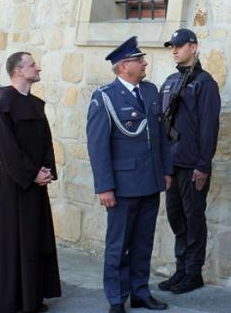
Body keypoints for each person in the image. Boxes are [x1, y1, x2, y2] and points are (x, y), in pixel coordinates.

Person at [86, 36, 173, 313]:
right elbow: (98, 146)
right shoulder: (105, 98)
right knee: (118, 245)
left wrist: (166, 171)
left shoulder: (149, 91)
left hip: (150, 181)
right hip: (122, 186)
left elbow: (160, 136)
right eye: (139, 60)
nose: (144, 63)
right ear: (124, 66)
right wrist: (104, 187)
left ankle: (140, 292)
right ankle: (116, 298)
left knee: (143, 243)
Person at [0, 52, 61, 313]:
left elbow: (45, 142)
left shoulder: (36, 104)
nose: (38, 67)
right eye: (32, 65)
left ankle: (32, 298)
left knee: (34, 239)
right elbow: (6, 149)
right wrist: (31, 174)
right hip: (11, 186)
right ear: (18, 71)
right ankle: (10, 301)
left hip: (35, 185)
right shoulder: (3, 103)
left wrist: (47, 170)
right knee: (12, 241)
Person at [157, 29, 220, 294]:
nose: (174, 50)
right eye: (172, 46)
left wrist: (203, 164)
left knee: (194, 218)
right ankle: (181, 268)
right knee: (176, 217)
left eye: (180, 46)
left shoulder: (205, 83)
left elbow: (209, 127)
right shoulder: (171, 81)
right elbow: (161, 124)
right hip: (172, 164)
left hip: (193, 164)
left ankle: (193, 273)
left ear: (193, 47)